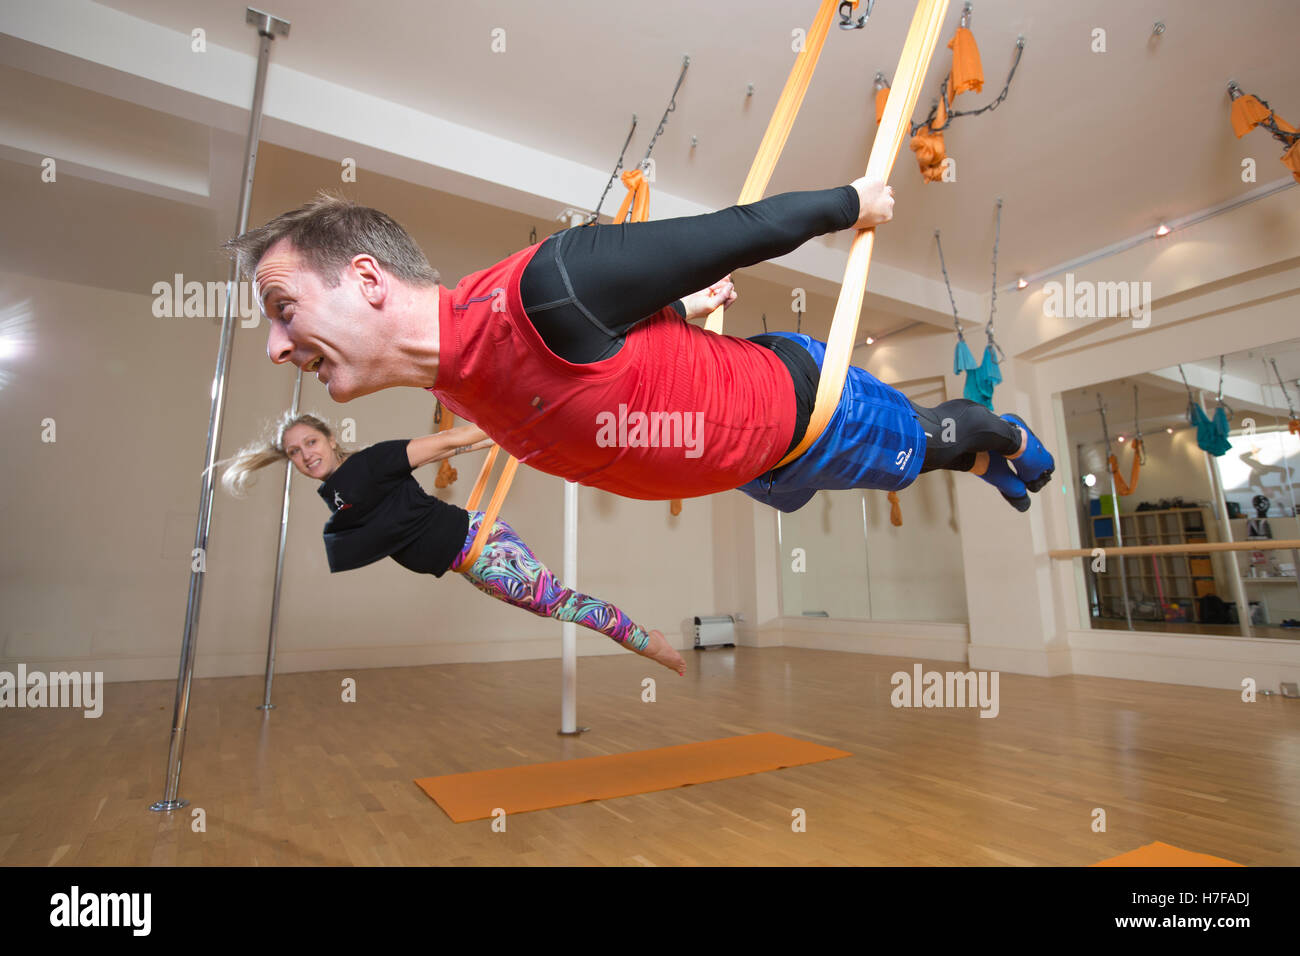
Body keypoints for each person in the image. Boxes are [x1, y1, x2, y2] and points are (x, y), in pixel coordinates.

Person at [225, 178, 1054, 513]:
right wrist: (676, 315)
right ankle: (983, 464)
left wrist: (854, 201)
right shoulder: (458, 374)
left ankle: (1004, 437)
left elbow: (739, 230)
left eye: (282, 308)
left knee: (934, 438)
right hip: (754, 467)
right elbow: (596, 380)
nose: (274, 347)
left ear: (367, 281)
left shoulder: (547, 287)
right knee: (911, 469)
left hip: (804, 408)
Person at [220, 412, 687, 675]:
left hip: (483, 547)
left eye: (311, 443)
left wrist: (520, 424)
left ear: (330, 438)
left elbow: (449, 443)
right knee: (558, 603)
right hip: (471, 561)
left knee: (561, 604)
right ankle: (647, 641)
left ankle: (650, 643)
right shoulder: (339, 494)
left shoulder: (371, 463)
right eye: (296, 452)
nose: (306, 455)